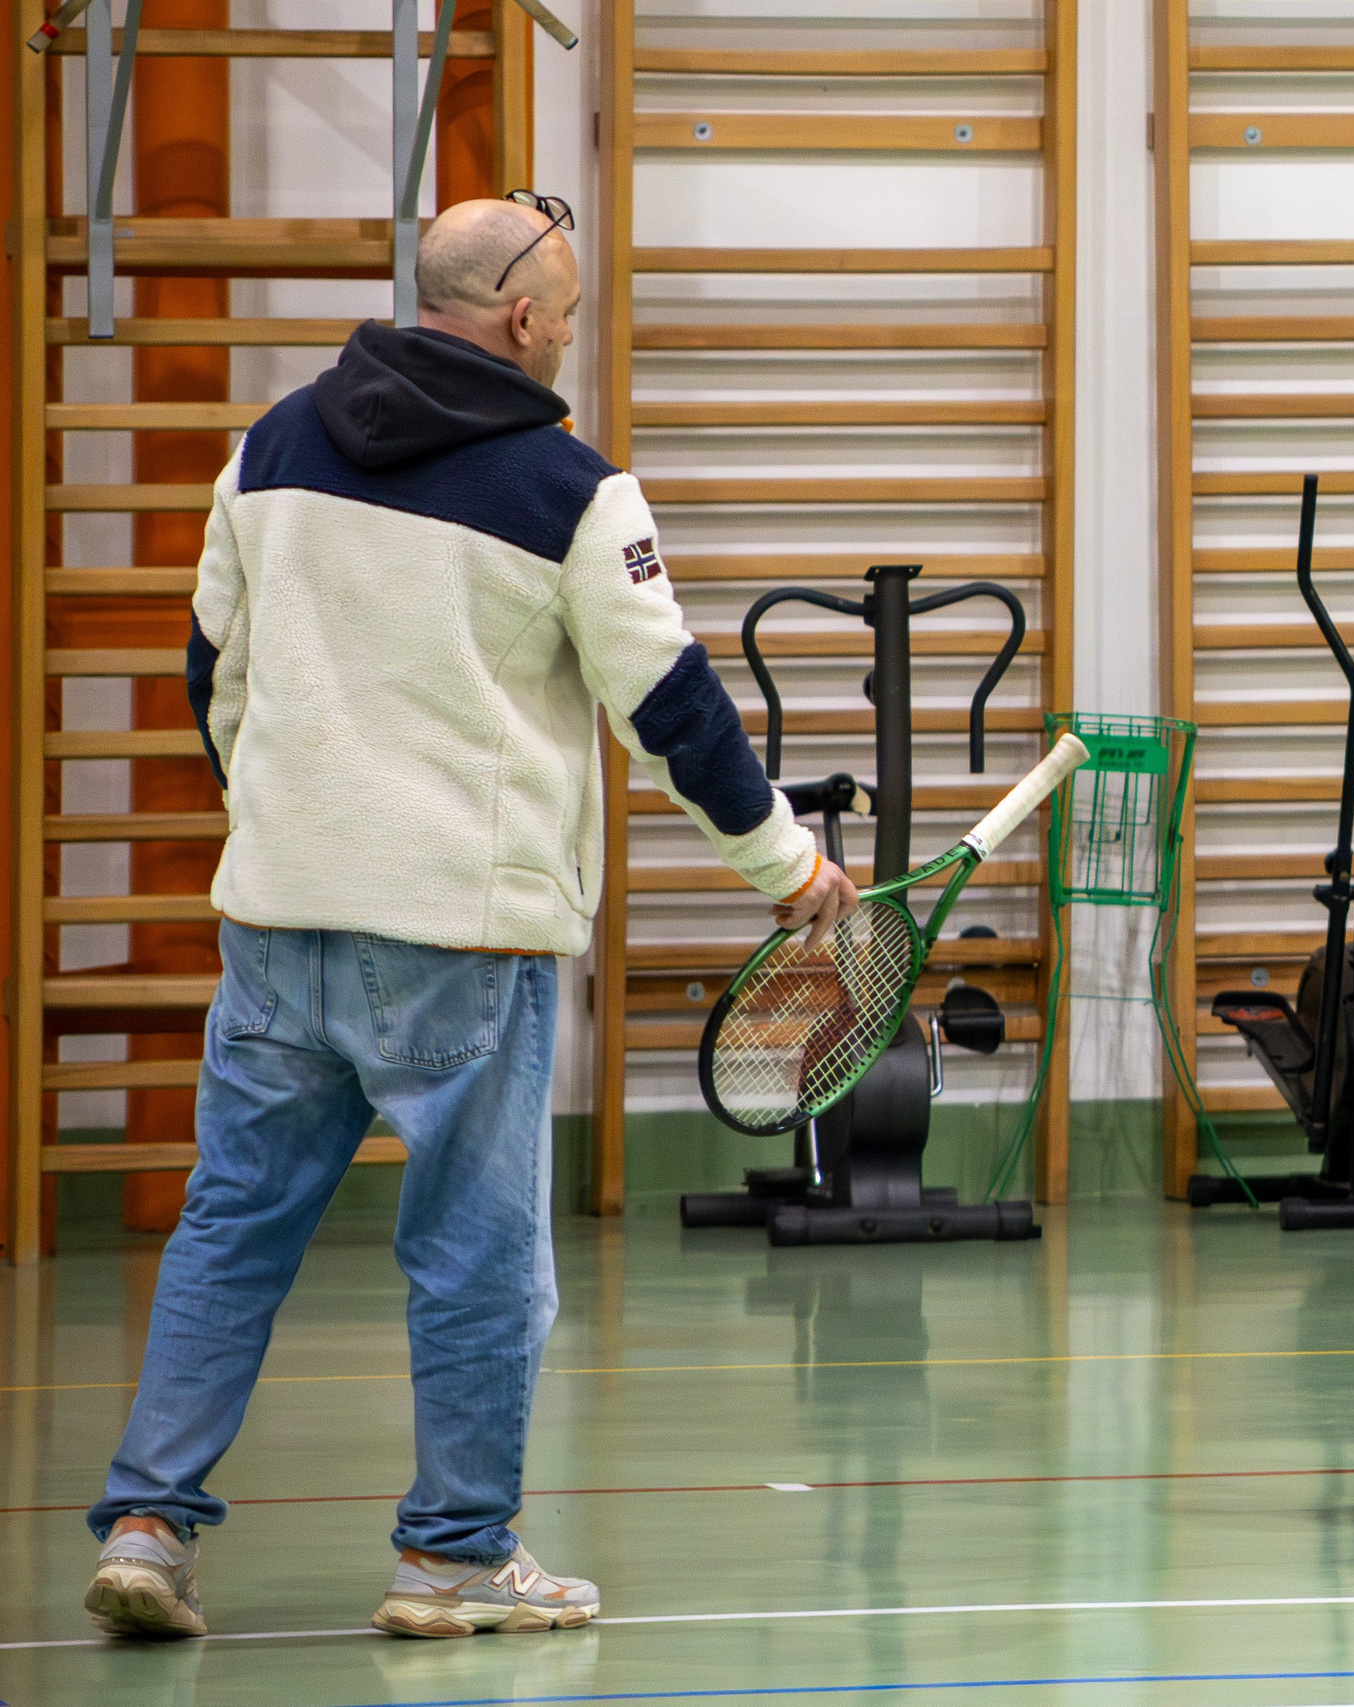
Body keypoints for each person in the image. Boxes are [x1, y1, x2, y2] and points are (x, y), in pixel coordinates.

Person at [81, 195, 860, 1641]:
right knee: (478, 1260)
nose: (570, 335)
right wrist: (788, 869)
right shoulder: (572, 488)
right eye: (566, 313)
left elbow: (213, 670)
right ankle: (450, 1555)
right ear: (518, 320)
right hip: (463, 934)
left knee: (227, 1229)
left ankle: (147, 1519)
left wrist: (288, 822)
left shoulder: (271, 447)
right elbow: (673, 709)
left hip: (278, 916)